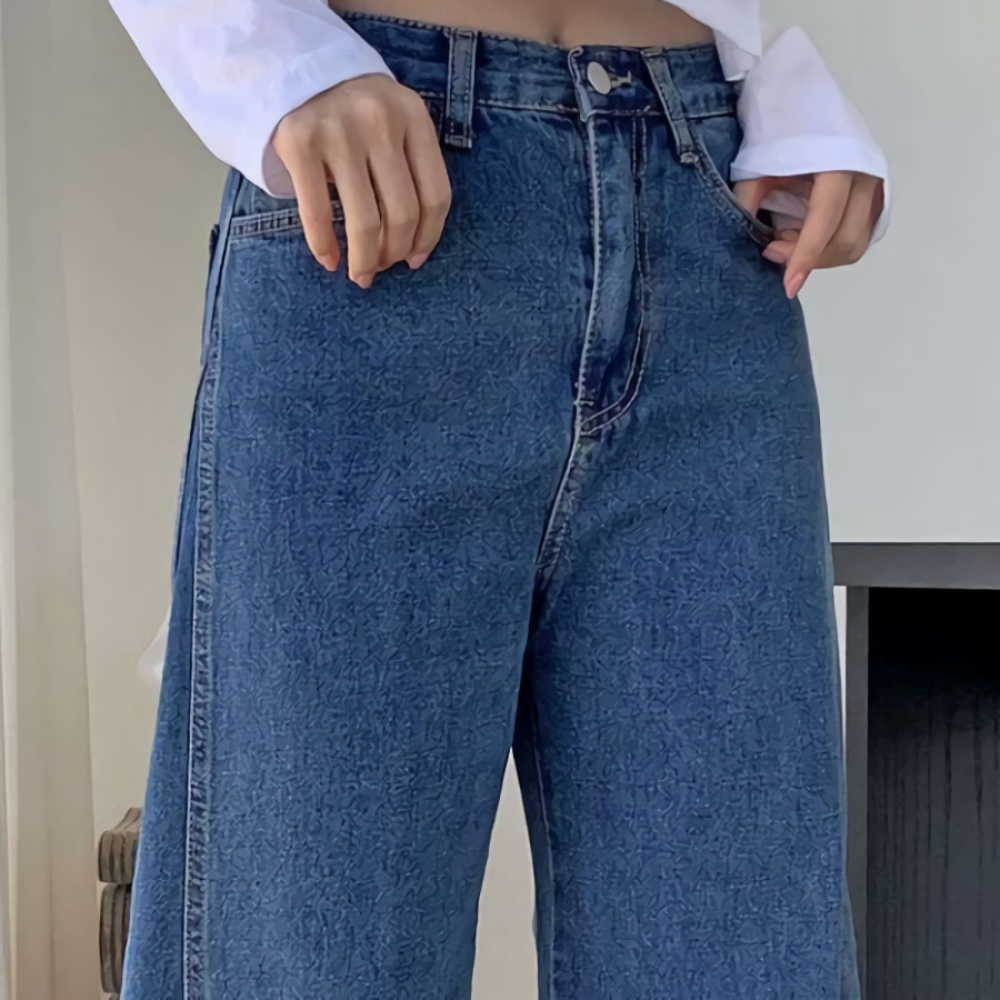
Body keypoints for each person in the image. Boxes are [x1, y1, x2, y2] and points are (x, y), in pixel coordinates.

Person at [110, 1, 889, 997]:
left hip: (703, 205)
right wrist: (262, 49)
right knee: (314, 947)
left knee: (745, 953)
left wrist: (770, 83)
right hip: (381, 209)